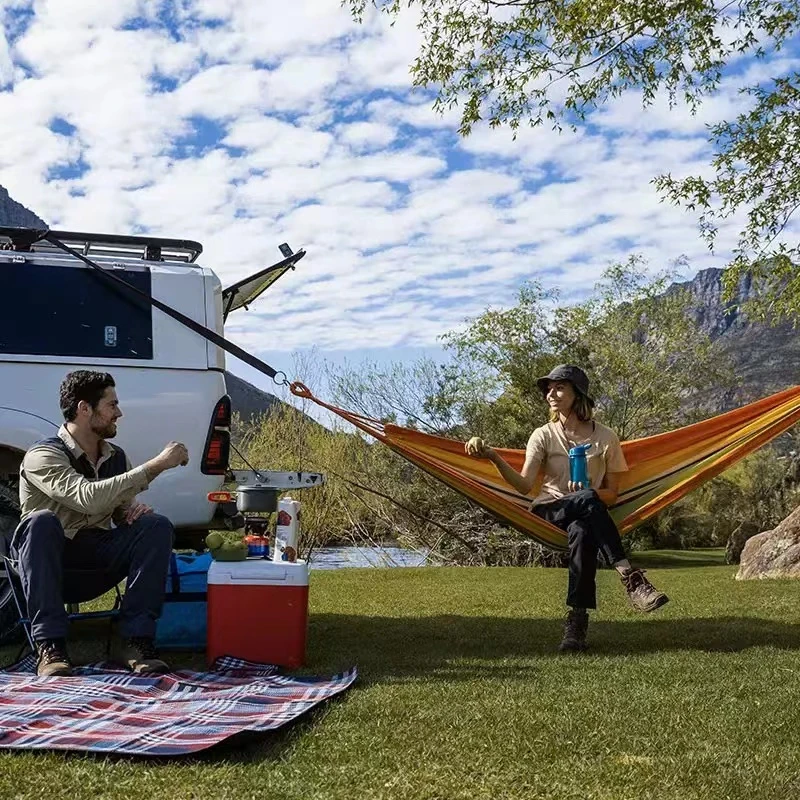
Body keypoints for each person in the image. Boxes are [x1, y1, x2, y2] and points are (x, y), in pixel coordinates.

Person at [465, 364, 668, 652]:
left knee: (583, 531)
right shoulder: (543, 435)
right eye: (549, 388)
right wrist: (493, 457)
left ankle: (576, 625)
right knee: (586, 500)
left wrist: (590, 493)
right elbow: (524, 486)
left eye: (559, 387)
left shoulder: (606, 438)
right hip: (548, 512)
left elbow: (611, 495)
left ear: (578, 394)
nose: (551, 393)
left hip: (586, 511)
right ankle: (630, 578)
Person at [12, 370, 189, 677]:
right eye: (111, 405)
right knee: (41, 523)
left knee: (155, 526)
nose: (118, 413)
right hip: (47, 565)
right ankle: (50, 647)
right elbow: (87, 498)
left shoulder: (115, 457)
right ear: (84, 408)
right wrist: (158, 464)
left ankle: (135, 641)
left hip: (96, 557)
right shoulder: (43, 454)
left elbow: (118, 509)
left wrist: (132, 512)